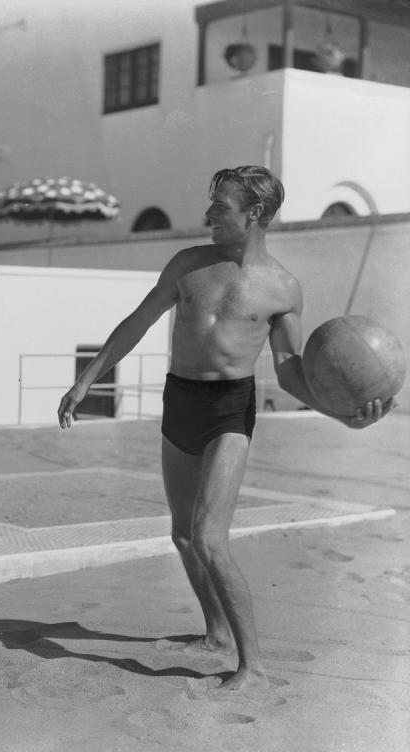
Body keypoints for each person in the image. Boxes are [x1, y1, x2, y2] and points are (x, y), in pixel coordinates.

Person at [57, 166, 394, 691]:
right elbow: (137, 322)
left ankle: (252, 664)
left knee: (211, 538)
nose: (209, 214)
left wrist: (342, 415)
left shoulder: (283, 288)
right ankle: (215, 634)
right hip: (180, 399)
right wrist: (87, 380)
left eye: (221, 206)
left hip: (229, 410)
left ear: (254, 214)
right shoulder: (188, 265)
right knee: (183, 536)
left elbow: (288, 369)